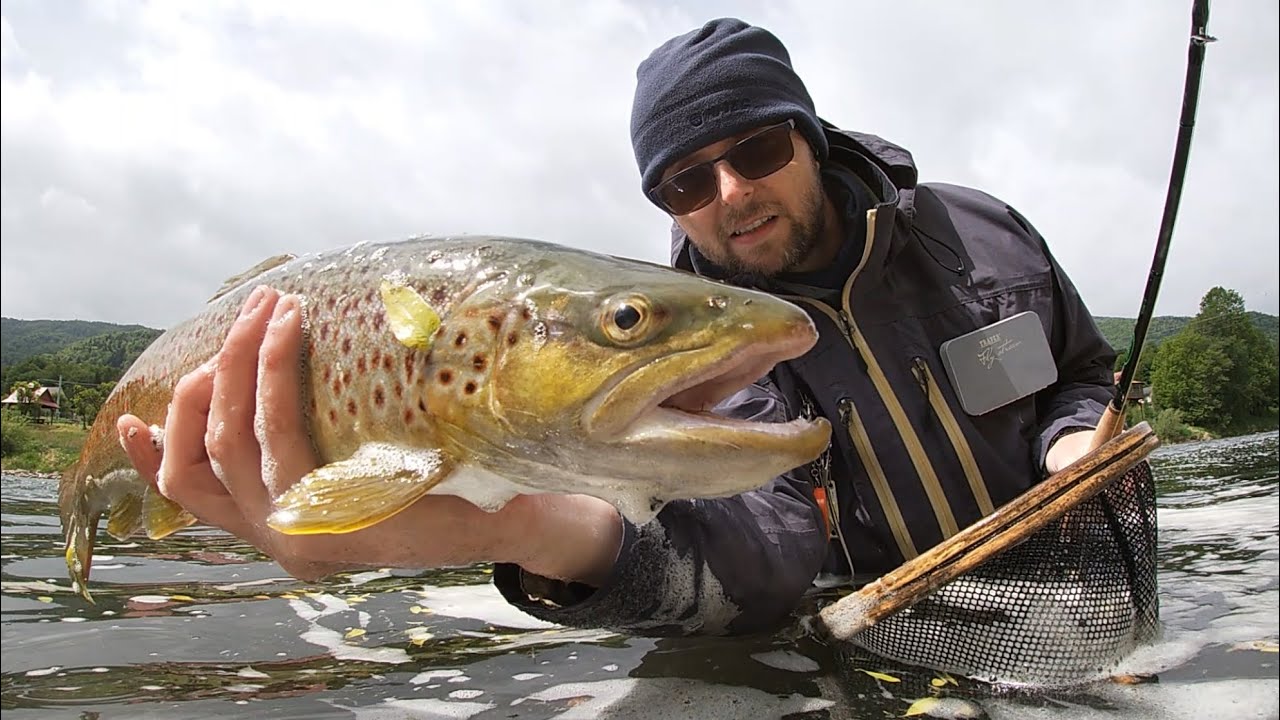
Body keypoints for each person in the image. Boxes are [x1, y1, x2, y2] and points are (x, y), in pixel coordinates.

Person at [116, 18, 1118, 638]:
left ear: (808, 138)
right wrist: (533, 531)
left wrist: (1076, 433)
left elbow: (1078, 368)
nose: (730, 192)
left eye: (757, 146)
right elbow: (758, 550)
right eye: (685, 179)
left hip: (1073, 596)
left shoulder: (977, 234)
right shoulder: (687, 365)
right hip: (872, 626)